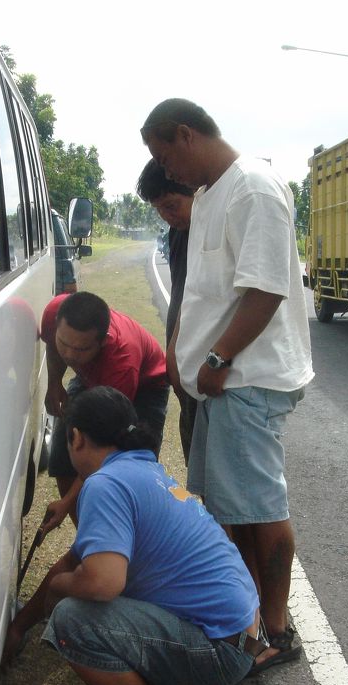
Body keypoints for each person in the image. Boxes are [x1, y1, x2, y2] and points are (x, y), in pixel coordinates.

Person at [3, 386, 263, 685]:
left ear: (76, 437)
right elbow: (75, 561)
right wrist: (20, 626)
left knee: (74, 620)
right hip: (238, 636)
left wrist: (58, 592)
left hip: (219, 651)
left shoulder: (105, 484)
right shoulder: (142, 468)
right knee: (88, 596)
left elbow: (104, 582)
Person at [141, 98, 314, 673]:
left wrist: (216, 358)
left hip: (247, 380)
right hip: (219, 385)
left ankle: (279, 632)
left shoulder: (254, 189)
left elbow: (265, 291)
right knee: (226, 510)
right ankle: (243, 622)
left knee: (260, 508)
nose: (168, 173)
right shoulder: (213, 195)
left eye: (166, 158)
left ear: (186, 135)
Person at [40, 291, 169, 535]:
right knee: (62, 453)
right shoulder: (56, 311)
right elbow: (52, 345)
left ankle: (126, 541)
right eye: (63, 343)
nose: (69, 355)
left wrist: (65, 503)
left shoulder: (122, 360)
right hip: (91, 378)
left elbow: (105, 451)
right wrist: (54, 383)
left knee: (124, 469)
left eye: (80, 350)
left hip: (144, 388)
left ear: (103, 341)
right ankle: (89, 537)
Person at [137, 158, 197, 463]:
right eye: (159, 210)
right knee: (194, 450)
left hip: (203, 363)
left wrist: (174, 349)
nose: (167, 216)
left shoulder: (205, 230)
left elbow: (196, 300)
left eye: (172, 205)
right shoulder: (178, 232)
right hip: (183, 364)